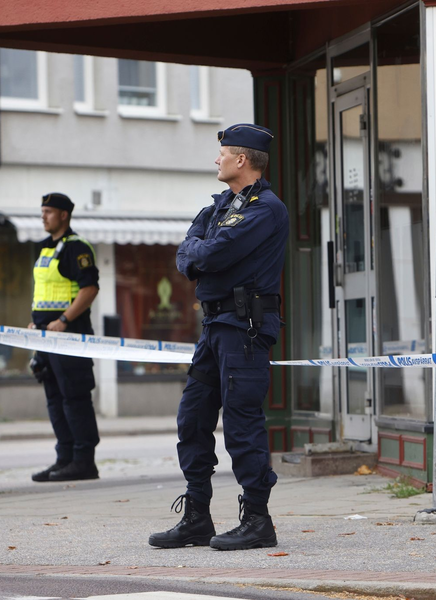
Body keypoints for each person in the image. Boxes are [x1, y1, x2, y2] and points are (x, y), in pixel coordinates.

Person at [149, 123, 288, 551]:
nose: (217, 159)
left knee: (242, 424)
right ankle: (196, 516)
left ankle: (258, 520)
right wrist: (197, 253)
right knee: (192, 419)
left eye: (223, 153)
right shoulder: (224, 204)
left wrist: (197, 253)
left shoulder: (264, 208)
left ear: (241, 159)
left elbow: (208, 253)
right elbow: (187, 250)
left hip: (243, 329)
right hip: (214, 327)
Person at [28, 193, 101, 482]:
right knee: (55, 399)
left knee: (75, 398)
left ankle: (84, 461)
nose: (43, 216)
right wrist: (37, 324)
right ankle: (64, 459)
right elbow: (44, 295)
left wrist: (63, 320)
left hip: (69, 336)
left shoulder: (76, 247)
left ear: (63, 215)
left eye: (49, 211)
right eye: (42, 211)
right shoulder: (46, 249)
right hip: (45, 338)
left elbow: (90, 288)